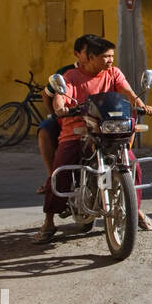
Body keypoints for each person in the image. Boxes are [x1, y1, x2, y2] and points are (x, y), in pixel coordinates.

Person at [34, 35, 152, 244]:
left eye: (111, 56)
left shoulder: (113, 73)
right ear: (88, 58)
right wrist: (61, 108)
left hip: (108, 129)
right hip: (78, 130)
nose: (110, 60)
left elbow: (127, 92)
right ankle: (49, 220)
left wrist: (140, 104)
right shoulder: (71, 76)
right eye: (105, 57)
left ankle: (135, 211)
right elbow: (60, 97)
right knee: (61, 168)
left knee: (133, 165)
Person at [36, 36, 89, 192]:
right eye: (88, 53)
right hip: (70, 118)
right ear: (77, 54)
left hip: (98, 119)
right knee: (45, 130)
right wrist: (56, 114)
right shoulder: (66, 73)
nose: (91, 57)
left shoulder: (109, 71)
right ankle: (52, 177)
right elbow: (47, 95)